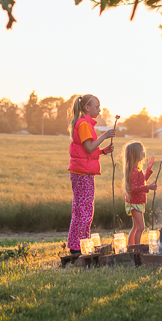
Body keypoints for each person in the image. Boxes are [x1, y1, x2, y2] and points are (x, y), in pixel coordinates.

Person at [66, 94, 116, 254]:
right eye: (97, 106)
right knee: (84, 211)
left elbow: (87, 150)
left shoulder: (85, 124)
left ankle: (78, 245)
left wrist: (102, 151)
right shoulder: (84, 125)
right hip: (82, 173)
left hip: (82, 170)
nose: (99, 110)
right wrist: (105, 135)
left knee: (82, 209)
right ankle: (78, 247)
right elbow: (88, 147)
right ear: (87, 107)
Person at [123, 141, 157, 246]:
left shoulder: (136, 169)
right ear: (135, 154)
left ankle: (131, 248)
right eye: (141, 151)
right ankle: (137, 250)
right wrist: (148, 187)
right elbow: (133, 189)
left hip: (136, 202)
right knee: (140, 228)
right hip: (134, 202)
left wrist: (148, 169)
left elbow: (141, 182)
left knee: (135, 227)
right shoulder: (133, 170)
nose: (144, 152)